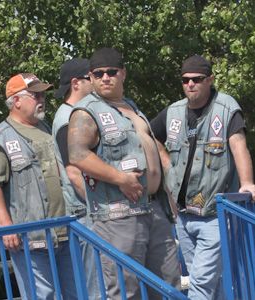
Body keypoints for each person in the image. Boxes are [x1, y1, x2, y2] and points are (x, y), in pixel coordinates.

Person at [68, 47, 181, 299]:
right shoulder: (87, 111)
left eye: (111, 72)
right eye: (98, 74)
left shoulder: (132, 108)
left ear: (123, 74)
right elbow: (77, 155)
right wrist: (120, 178)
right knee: (126, 290)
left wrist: (168, 190)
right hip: (119, 215)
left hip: (154, 209)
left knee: (168, 286)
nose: (105, 78)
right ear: (91, 77)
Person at [150, 54, 255, 299]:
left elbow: (239, 147)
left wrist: (247, 183)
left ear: (209, 79)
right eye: (185, 80)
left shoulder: (226, 108)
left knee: (200, 282)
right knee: (211, 283)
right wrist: (167, 166)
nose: (190, 84)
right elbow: (149, 134)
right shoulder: (173, 112)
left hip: (213, 214)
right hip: (182, 215)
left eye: (197, 79)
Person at [0, 73, 76, 299]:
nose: (42, 98)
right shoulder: (1, 138)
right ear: (16, 101)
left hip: (64, 232)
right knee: (43, 296)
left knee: (75, 294)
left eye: (43, 93)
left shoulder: (46, 128)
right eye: (35, 95)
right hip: (30, 238)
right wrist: (7, 227)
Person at [52, 58, 100, 299]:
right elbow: (72, 170)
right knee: (95, 289)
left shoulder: (76, 115)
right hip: (84, 215)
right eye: (91, 77)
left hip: (87, 214)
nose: (97, 82)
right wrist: (97, 205)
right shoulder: (67, 120)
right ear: (76, 83)